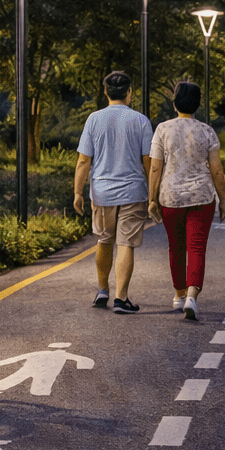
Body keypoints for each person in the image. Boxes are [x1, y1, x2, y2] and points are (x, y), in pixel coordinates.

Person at [147, 80, 225, 321]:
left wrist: (152, 199)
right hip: (202, 197)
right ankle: (192, 296)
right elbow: (217, 170)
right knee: (196, 248)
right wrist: (223, 200)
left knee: (176, 247)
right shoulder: (206, 131)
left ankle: (179, 294)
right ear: (197, 104)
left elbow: (155, 168)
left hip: (170, 198)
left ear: (174, 104)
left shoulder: (163, 129)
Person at [73, 70, 153, 313]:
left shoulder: (93, 119)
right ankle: (121, 298)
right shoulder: (141, 121)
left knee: (104, 239)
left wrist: (77, 192)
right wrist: (154, 192)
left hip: (102, 192)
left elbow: (83, 161)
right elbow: (148, 161)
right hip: (133, 192)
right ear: (129, 93)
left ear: (105, 92)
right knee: (126, 243)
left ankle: (102, 289)